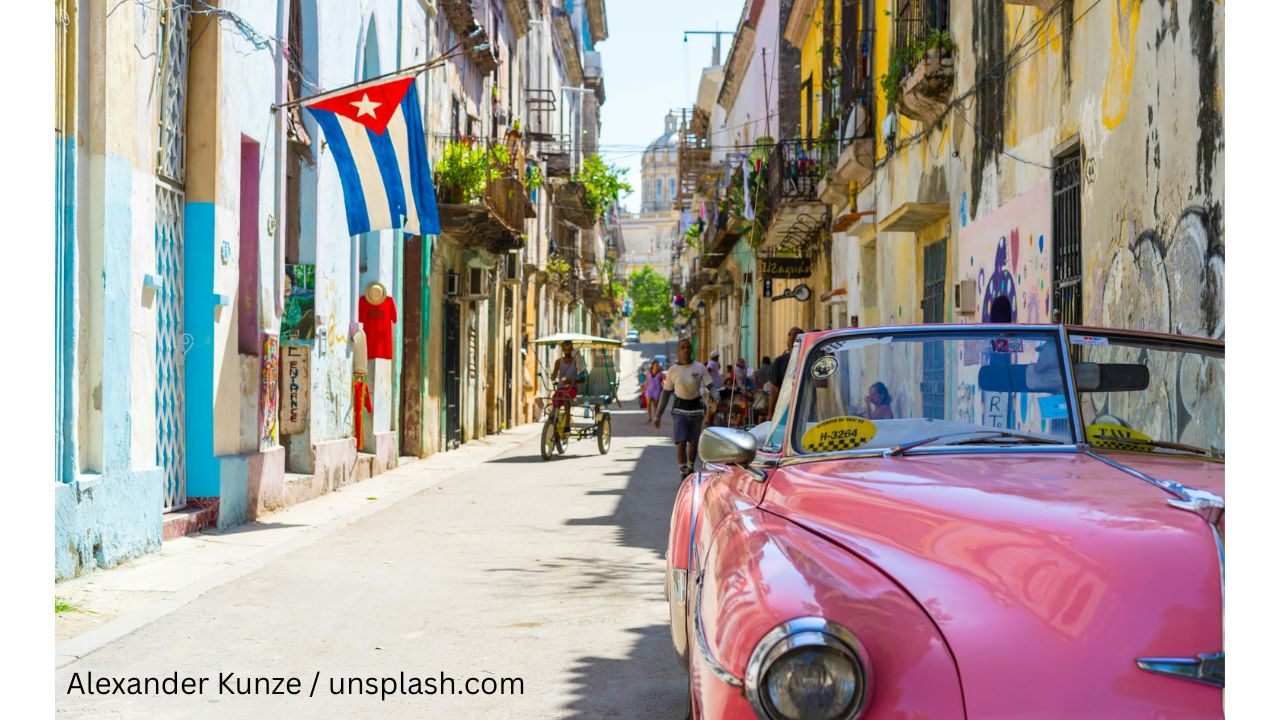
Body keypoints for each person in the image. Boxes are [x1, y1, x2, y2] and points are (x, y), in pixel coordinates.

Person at [654, 338, 716, 478]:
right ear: (678, 351)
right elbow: (666, 393)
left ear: (691, 350)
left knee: (693, 444)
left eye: (688, 347)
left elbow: (710, 385)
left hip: (696, 410)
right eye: (682, 348)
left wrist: (716, 394)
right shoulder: (673, 370)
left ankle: (690, 467)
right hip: (679, 410)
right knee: (681, 442)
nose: (686, 350)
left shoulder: (699, 367)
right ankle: (683, 472)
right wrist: (658, 415)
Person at [767, 327, 804, 416]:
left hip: (804, 407)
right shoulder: (780, 361)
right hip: (785, 409)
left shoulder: (807, 358)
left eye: (795, 335)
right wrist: (770, 412)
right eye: (789, 335)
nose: (792, 337)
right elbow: (774, 389)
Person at [642, 359, 665, 425]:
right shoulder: (648, 373)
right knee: (648, 404)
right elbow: (647, 381)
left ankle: (656, 418)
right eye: (655, 365)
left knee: (656, 406)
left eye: (657, 365)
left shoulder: (660, 374)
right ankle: (649, 418)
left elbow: (665, 381)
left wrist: (665, 386)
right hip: (649, 390)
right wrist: (644, 388)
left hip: (657, 391)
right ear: (652, 366)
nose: (657, 366)